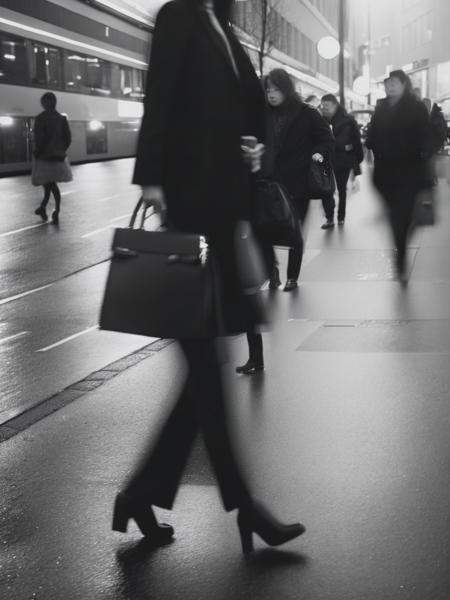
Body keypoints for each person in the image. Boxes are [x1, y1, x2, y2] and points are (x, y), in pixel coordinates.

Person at [112, 0, 305, 554]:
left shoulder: (223, 26)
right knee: (207, 368)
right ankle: (245, 508)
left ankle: (141, 495)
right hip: (192, 215)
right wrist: (151, 179)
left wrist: (253, 144)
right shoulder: (180, 16)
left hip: (223, 215)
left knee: (204, 374)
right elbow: (161, 98)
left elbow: (242, 109)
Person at [263, 68, 334, 291]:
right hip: (268, 182)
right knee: (265, 230)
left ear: (286, 89)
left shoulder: (306, 113)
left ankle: (292, 277)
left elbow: (326, 138)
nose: (271, 94)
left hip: (298, 182)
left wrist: (319, 153)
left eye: (276, 89)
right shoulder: (262, 113)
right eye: (268, 90)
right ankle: (272, 272)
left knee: (294, 230)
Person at [366, 70, 431, 283]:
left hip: (410, 171)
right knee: (398, 218)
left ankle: (400, 254)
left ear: (404, 84)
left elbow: (426, 136)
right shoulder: (381, 108)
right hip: (385, 173)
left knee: (403, 218)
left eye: (395, 83)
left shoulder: (417, 107)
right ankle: (401, 252)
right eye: (388, 83)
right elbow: (372, 136)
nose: (390, 87)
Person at [320, 93, 364, 228]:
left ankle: (340, 216)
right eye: (323, 106)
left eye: (327, 106)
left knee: (341, 189)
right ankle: (329, 218)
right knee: (325, 189)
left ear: (335, 105)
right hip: (326, 160)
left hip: (343, 160)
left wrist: (357, 160)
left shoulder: (348, 120)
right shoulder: (321, 121)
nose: (324, 109)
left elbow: (356, 141)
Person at [32, 92, 72, 225]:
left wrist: (37, 152)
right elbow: (68, 139)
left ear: (48, 102)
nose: (42, 104)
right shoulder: (62, 118)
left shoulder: (41, 118)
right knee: (50, 184)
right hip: (59, 157)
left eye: (43, 101)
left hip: (44, 157)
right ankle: (48, 208)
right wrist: (61, 150)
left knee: (49, 184)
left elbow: (40, 139)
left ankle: (50, 209)